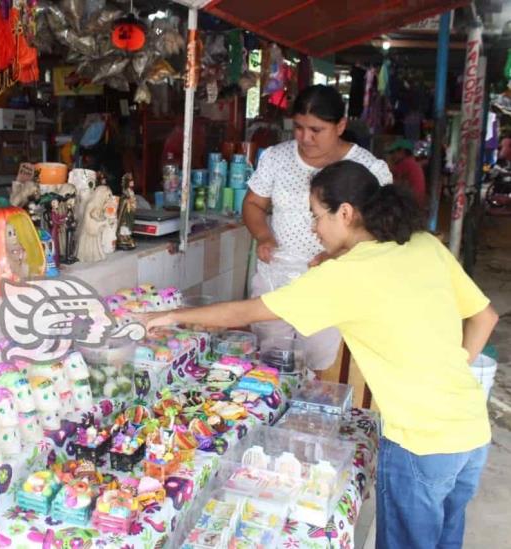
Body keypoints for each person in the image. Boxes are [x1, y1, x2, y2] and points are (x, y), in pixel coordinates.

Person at [144, 160, 497, 549]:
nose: (313, 229)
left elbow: (250, 311)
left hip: (420, 442)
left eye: (317, 216)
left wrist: (173, 315)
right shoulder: (424, 244)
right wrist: (447, 370)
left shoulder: (345, 277)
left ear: (345, 213)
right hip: (469, 430)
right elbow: (485, 317)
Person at [242, 84, 393, 371]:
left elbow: (380, 229)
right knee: (270, 363)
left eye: (316, 129)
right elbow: (253, 205)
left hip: (332, 280)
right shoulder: (277, 157)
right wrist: (264, 235)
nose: (304, 138)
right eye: (298, 127)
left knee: (315, 364)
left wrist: (334, 257)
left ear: (340, 126)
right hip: (276, 274)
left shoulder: (368, 168)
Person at [387, 138, 427, 209]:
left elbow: (389, 180)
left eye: (393, 152)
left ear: (402, 151)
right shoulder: (412, 162)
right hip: (416, 203)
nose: (392, 156)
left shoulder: (404, 164)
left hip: (410, 204)